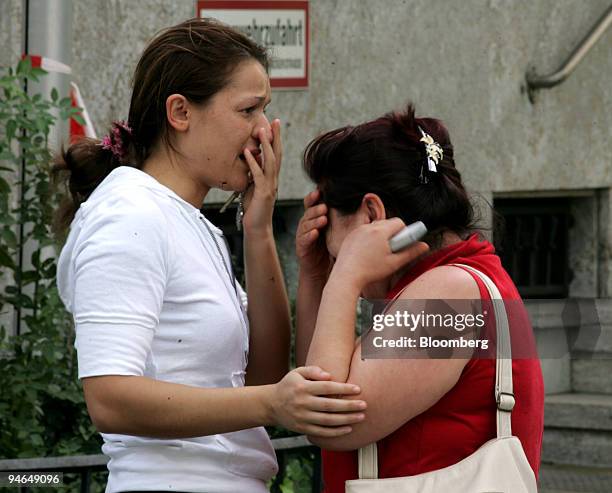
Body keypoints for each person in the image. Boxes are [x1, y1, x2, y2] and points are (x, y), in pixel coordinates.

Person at [53, 18, 367, 493]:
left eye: (266, 110)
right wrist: (270, 405)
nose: (264, 131)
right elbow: (110, 399)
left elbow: (262, 376)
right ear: (180, 112)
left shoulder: (185, 219)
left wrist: (260, 229)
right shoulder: (128, 215)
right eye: (248, 110)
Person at [295, 105, 544, 492]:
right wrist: (317, 277)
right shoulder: (449, 281)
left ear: (371, 215)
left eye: (331, 230)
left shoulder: (449, 294)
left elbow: (327, 415)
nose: (330, 251)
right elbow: (313, 381)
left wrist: (345, 276)